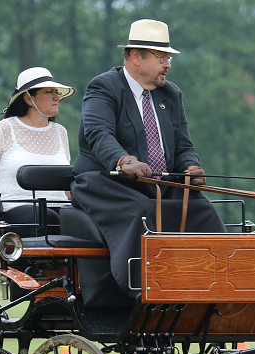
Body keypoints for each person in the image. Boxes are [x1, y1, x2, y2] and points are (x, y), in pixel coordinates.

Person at [72, 19, 226, 298]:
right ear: (135, 57)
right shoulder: (104, 87)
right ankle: (144, 291)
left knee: (204, 210)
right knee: (143, 212)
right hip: (108, 183)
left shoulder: (171, 93)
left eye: (169, 57)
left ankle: (218, 288)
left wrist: (191, 166)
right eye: (161, 57)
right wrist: (123, 160)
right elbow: (98, 133)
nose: (168, 64)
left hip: (159, 185)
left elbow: (182, 146)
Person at [0, 67, 75, 235]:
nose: (57, 97)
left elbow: (64, 182)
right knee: (49, 219)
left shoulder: (60, 132)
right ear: (28, 98)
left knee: (90, 224)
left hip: (58, 208)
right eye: (49, 92)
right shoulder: (4, 129)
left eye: (57, 92)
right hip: (13, 211)